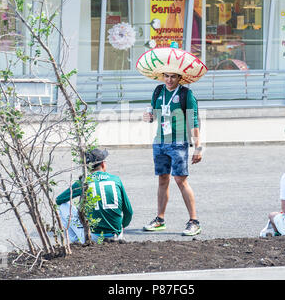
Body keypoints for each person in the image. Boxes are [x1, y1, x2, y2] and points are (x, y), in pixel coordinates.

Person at [136, 41, 208, 236]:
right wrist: (148, 117)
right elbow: (152, 114)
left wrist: (198, 147)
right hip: (159, 142)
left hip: (178, 143)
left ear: (180, 77)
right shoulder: (158, 91)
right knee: (162, 179)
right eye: (166, 76)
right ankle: (160, 219)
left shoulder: (186, 94)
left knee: (180, 180)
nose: (169, 80)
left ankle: (194, 221)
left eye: (173, 76)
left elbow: (194, 120)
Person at [55, 148, 133, 243]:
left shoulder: (85, 181)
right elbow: (129, 212)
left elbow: (59, 200)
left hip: (93, 236)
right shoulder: (116, 179)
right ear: (103, 164)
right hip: (116, 234)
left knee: (63, 206)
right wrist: (122, 226)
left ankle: (76, 242)